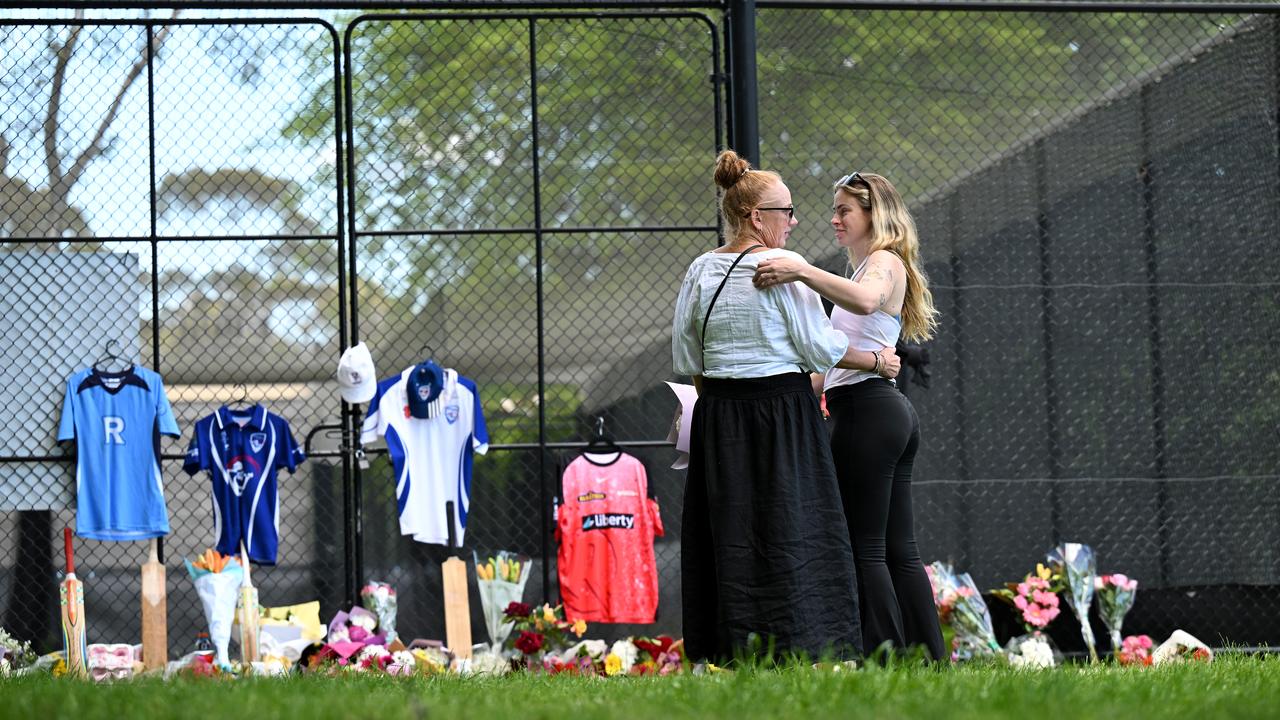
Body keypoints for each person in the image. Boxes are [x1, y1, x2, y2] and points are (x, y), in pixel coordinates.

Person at [671, 150, 899, 663]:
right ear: (757, 217)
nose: (794, 221)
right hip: (782, 415)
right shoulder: (783, 270)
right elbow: (820, 349)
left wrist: (715, 396)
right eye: (786, 211)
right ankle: (806, 643)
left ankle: (730, 649)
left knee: (730, 530)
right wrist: (877, 361)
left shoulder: (700, 270)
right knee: (794, 526)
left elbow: (688, 353)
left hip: (719, 415)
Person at [752, 170, 946, 661]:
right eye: (835, 209)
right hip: (881, 411)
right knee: (899, 548)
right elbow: (830, 367)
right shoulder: (868, 267)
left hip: (867, 414)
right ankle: (928, 659)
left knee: (867, 549)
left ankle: (884, 659)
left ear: (872, 215)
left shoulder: (882, 262)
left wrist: (798, 269)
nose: (834, 219)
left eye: (844, 211)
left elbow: (864, 302)